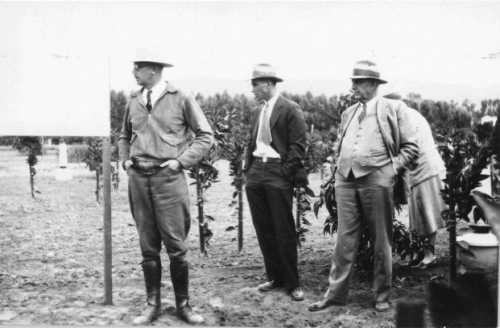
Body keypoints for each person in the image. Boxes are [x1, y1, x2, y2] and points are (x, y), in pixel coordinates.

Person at [308, 60, 419, 312]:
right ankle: (335, 295)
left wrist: (392, 169)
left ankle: (381, 296)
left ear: (372, 84)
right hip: (345, 181)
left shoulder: (393, 108)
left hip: (376, 180)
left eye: (358, 82)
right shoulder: (348, 113)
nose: (353, 86)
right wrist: (336, 168)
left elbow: (411, 147)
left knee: (382, 240)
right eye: (353, 82)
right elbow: (341, 143)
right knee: (344, 240)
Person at [118, 49, 213, 324]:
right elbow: (124, 135)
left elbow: (206, 136)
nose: (134, 72)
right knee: (147, 245)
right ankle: (152, 305)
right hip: (138, 179)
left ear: (153, 70)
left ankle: (184, 305)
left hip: (168, 180)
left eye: (138, 67)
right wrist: (124, 161)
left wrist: (180, 162)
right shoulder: (133, 99)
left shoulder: (181, 98)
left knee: (176, 245)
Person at [244, 63, 308, 301]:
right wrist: (248, 170)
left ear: (269, 83)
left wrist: (284, 172)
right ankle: (275, 277)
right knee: (264, 228)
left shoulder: (291, 109)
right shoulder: (256, 111)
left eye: (256, 84)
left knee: (283, 229)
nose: (253, 89)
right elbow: (251, 143)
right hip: (255, 172)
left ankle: (293, 283)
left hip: (276, 171)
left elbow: (298, 147)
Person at [384, 93, 446, 268]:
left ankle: (429, 254)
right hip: (417, 170)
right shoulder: (409, 114)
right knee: (419, 216)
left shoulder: (406, 117)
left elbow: (404, 148)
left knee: (427, 215)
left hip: (425, 169)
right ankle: (421, 253)